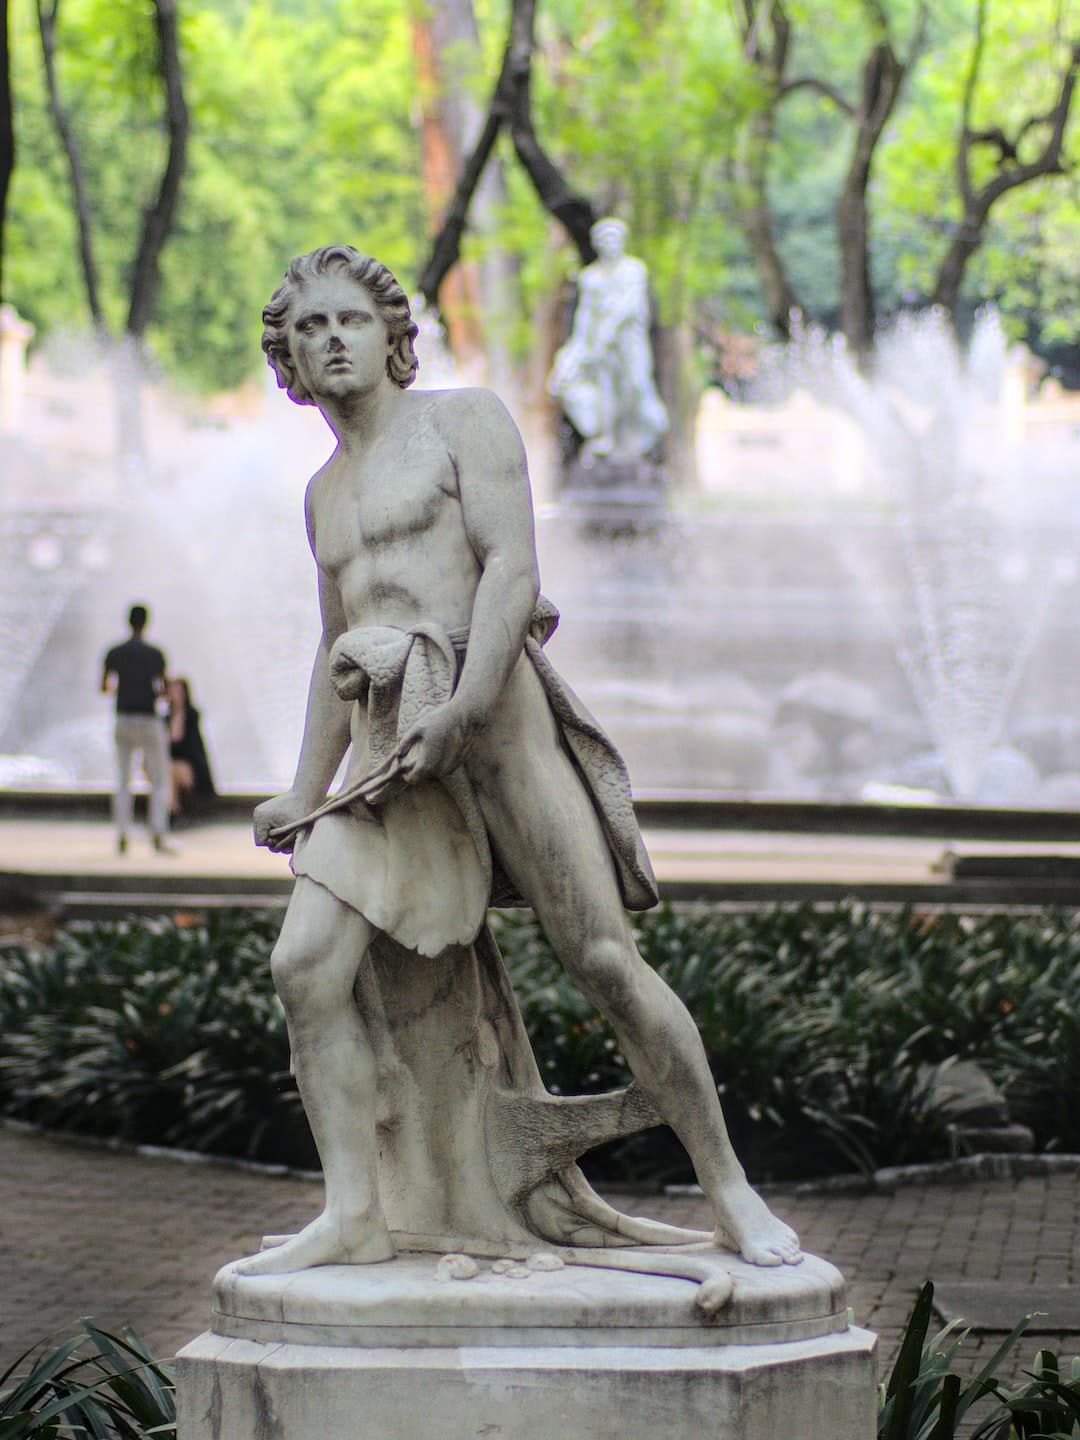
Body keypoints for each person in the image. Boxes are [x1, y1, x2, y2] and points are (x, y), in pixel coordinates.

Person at [245, 244, 800, 1276]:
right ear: (289, 357)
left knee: (604, 964)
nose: (331, 339)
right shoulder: (322, 493)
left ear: (391, 336)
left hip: (496, 735)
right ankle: (355, 1211)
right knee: (304, 969)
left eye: (350, 321)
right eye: (309, 327)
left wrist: (459, 707)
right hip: (387, 758)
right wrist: (303, 790)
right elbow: (336, 647)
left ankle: (730, 1190)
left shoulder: (464, 422)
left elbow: (511, 569)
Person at [548, 217, 669, 466]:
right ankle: (608, 439)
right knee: (606, 391)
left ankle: (644, 434)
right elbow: (585, 315)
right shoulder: (590, 277)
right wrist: (579, 347)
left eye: (614, 238)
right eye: (604, 239)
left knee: (636, 386)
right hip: (601, 345)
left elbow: (631, 305)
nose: (609, 244)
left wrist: (607, 332)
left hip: (628, 342)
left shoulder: (634, 270)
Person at [100, 604, 173, 855]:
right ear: (147, 622)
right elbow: (163, 690)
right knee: (159, 780)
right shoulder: (155, 654)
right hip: (148, 718)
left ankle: (122, 835)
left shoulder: (115, 652)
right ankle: (158, 834)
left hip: (123, 718)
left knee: (122, 780)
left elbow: (104, 687)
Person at [167, 677, 216, 824]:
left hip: (193, 770)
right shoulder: (165, 717)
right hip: (173, 767)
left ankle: (173, 812)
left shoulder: (191, 715)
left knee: (168, 768)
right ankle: (172, 810)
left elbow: (177, 740)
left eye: (178, 691)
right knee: (163, 768)